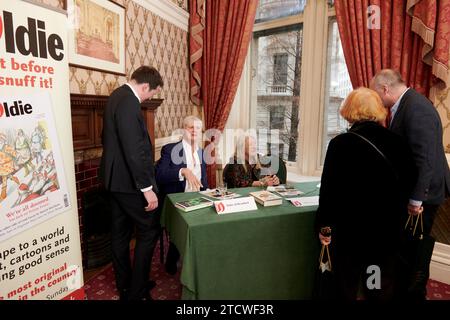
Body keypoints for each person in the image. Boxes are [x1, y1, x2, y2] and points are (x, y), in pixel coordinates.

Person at [315, 87, 417, 300]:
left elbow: (329, 194)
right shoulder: (397, 142)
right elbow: (410, 181)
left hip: (350, 234)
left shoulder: (341, 144)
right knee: (376, 285)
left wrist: (324, 228)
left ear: (349, 111)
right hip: (385, 233)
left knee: (345, 285)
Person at [370, 69, 450, 300]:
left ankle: (414, 295)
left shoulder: (416, 108)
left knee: (415, 255)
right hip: (417, 194)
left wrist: (416, 199)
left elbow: (423, 159)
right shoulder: (407, 105)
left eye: (376, 92)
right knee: (408, 252)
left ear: (385, 89)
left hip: (423, 197)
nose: (375, 98)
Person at [99, 66, 163, 300]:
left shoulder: (116, 96)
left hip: (113, 181)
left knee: (120, 234)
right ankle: (136, 291)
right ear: (145, 86)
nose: (149, 98)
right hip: (130, 184)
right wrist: (147, 189)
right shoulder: (129, 101)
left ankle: (124, 285)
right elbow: (134, 150)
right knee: (149, 230)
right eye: (151, 93)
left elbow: (105, 138)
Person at [155, 115, 208, 275]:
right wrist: (182, 171)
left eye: (197, 128)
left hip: (198, 198)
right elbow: (159, 175)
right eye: (190, 127)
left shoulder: (202, 152)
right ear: (183, 130)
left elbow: (203, 179)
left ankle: (201, 260)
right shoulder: (170, 149)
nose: (194, 130)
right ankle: (173, 258)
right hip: (177, 200)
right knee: (186, 225)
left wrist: (209, 193)